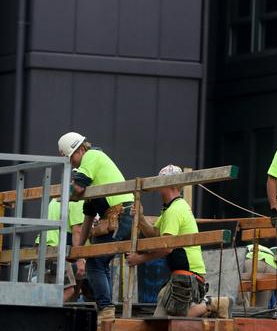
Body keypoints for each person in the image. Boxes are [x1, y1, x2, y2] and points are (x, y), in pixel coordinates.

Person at [126, 164, 230, 318]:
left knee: (172, 318)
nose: (157, 186)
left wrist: (139, 259)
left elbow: (167, 248)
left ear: (169, 183)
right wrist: (140, 217)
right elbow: (155, 234)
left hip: (188, 274)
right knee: (163, 317)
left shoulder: (174, 211)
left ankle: (213, 303)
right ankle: (210, 306)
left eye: (160, 182)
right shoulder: (171, 209)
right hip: (183, 274)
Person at [57, 132, 134, 323]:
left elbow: (77, 189)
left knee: (95, 263)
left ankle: (106, 309)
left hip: (122, 216)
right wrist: (79, 250)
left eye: (71, 158)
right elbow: (88, 218)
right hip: (116, 217)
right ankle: (106, 307)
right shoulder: (95, 180)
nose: (73, 164)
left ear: (80, 149)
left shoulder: (92, 156)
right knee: (98, 260)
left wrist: (64, 194)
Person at [34, 197, 86, 302]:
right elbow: (77, 231)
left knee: (50, 291)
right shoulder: (78, 201)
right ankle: (47, 315)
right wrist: (80, 258)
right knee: (68, 291)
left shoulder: (56, 198)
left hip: (41, 247)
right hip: (55, 251)